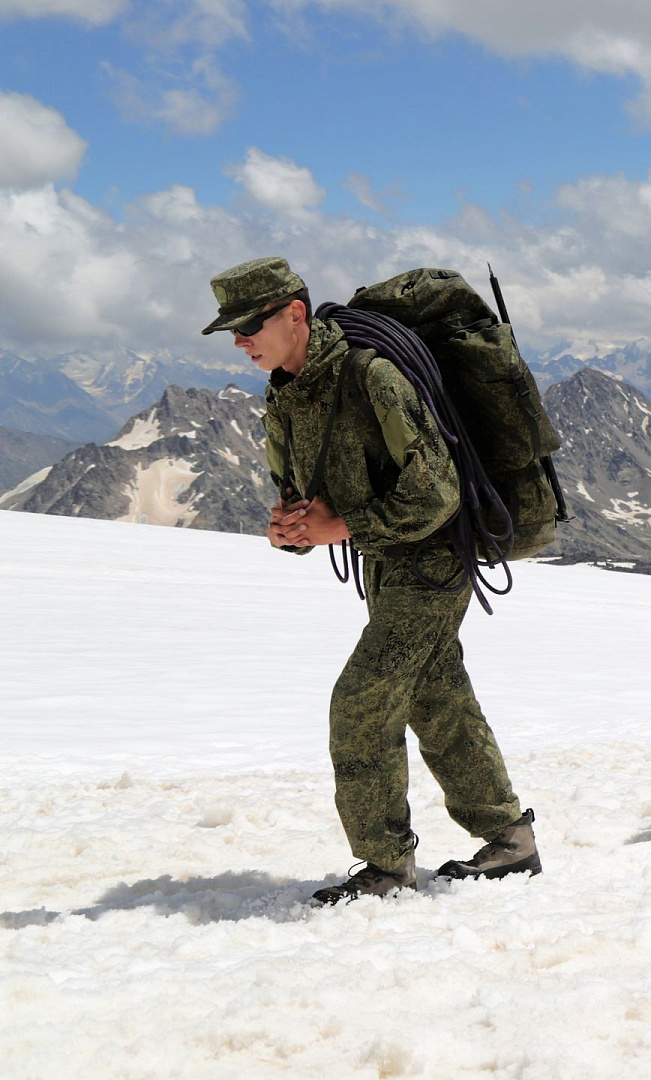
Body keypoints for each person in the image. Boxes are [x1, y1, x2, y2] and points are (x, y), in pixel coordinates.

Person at [206, 256, 537, 905]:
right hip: (387, 563)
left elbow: (438, 490)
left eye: (249, 325)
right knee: (435, 696)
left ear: (295, 314)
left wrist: (342, 526)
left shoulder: (372, 375)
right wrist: (292, 529)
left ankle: (387, 867)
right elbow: (304, 498)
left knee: (362, 701)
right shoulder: (287, 396)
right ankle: (509, 839)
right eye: (233, 331)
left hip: (436, 558)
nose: (241, 341)